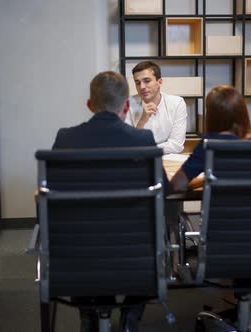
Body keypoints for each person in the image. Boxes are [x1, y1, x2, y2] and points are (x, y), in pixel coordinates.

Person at [52, 71, 168, 332]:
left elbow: (50, 202)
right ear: (127, 105)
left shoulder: (65, 139)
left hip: (77, 257)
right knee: (153, 243)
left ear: (89, 105)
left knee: (82, 236)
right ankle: (130, 315)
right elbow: (165, 190)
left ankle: (89, 314)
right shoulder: (142, 140)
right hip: (134, 254)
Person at [170, 85, 251, 192]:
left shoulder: (210, 145)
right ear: (243, 111)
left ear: (211, 116)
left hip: (227, 209)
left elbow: (176, 184)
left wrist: (207, 179)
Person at [125, 61, 187, 154]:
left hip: (167, 159)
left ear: (160, 82)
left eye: (147, 81)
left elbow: (176, 145)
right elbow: (128, 144)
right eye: (137, 83)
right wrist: (142, 121)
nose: (142, 87)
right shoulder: (128, 104)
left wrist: (143, 149)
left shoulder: (177, 103)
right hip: (137, 159)